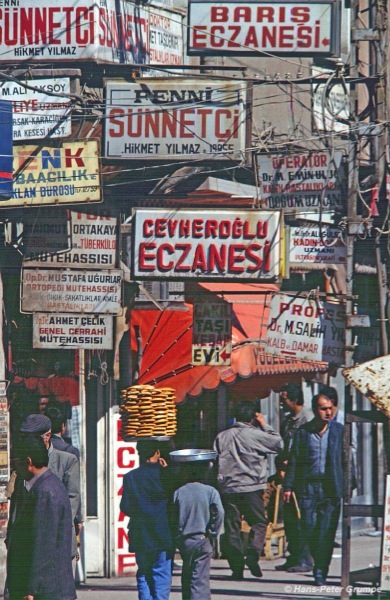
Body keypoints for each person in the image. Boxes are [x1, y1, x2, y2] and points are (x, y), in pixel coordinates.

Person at [213, 401, 283, 580]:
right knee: (259, 522)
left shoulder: (221, 437)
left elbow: (213, 463)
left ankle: (236, 568)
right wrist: (265, 424)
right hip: (252, 487)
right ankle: (252, 555)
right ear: (253, 417)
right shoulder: (257, 435)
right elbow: (278, 443)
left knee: (232, 528)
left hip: (228, 488)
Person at [6, 435, 76, 600]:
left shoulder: (46, 491)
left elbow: (43, 544)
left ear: (28, 461)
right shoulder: (45, 486)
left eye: (15, 461)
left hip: (46, 591)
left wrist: (32, 590)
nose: (15, 467)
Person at [283, 393, 343, 587]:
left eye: (330, 408)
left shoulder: (339, 431)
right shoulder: (303, 432)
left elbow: (347, 460)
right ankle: (316, 562)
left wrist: (348, 486)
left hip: (330, 487)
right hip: (308, 487)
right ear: (315, 410)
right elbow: (294, 460)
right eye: (323, 408)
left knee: (326, 531)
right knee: (308, 528)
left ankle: (320, 571)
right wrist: (288, 486)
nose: (328, 412)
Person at [17, 414, 81, 563]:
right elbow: (18, 502)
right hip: (27, 541)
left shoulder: (66, 460)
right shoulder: (23, 461)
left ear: (47, 436)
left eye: (33, 437)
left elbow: (72, 499)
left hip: (57, 540)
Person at [120, 440, 173, 600]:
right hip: (163, 531)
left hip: (140, 531)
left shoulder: (130, 477)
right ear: (157, 452)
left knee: (143, 571)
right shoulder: (166, 475)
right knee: (161, 572)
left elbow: (126, 507)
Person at [274, 383, 313, 572]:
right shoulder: (289, 420)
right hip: (287, 474)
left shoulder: (307, 420)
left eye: (284, 399)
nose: (282, 404)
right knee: (289, 518)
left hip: (301, 476)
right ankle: (294, 555)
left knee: (301, 518)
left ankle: (305, 558)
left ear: (294, 400)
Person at [173, 460, 224, 600]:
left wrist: (177, 535)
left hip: (185, 540)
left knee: (187, 575)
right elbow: (219, 512)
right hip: (203, 538)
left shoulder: (179, 492)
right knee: (200, 579)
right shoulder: (210, 491)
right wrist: (213, 532)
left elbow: (173, 517)